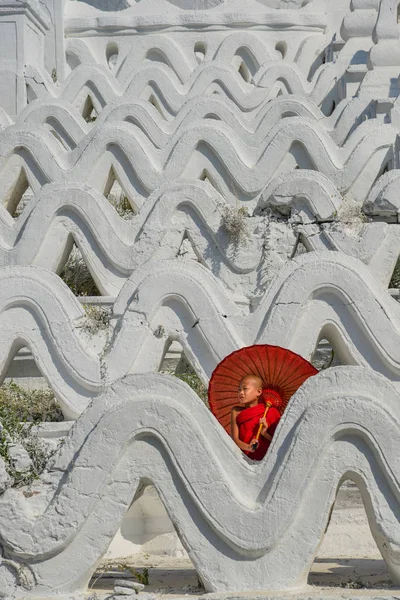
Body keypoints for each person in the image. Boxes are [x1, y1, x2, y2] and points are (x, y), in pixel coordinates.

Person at [231, 374, 281, 461]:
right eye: (239, 390)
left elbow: (279, 443)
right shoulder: (236, 411)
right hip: (243, 459)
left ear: (259, 392)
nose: (241, 393)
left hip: (265, 460)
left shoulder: (270, 412)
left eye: (245, 389)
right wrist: (249, 447)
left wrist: (264, 433)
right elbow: (235, 439)